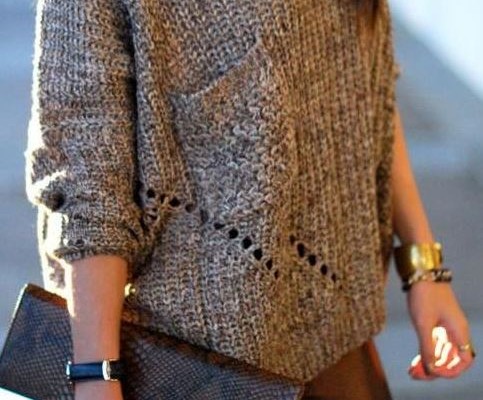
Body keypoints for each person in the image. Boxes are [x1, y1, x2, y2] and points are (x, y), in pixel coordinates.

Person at [25, 0, 474, 399]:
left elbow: (365, 90)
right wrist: (96, 374)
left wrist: (424, 267)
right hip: (185, 360)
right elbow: (89, 181)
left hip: (336, 339)